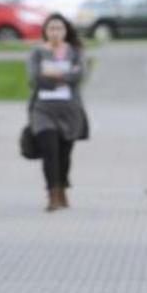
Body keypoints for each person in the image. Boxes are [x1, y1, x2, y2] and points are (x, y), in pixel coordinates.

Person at [27, 13, 89, 212]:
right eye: (51, 28)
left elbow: (80, 75)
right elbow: (36, 79)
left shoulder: (75, 52)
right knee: (49, 152)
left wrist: (52, 72)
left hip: (69, 110)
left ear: (65, 31)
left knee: (64, 153)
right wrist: (65, 74)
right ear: (45, 31)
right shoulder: (36, 53)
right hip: (42, 109)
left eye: (59, 28)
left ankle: (62, 187)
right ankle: (52, 194)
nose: (55, 32)